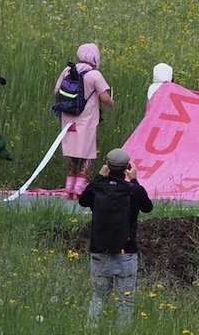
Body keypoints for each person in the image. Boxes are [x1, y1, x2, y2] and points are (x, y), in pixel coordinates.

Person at [80, 148, 153, 327]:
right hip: (125, 253)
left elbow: (83, 201)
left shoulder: (96, 187)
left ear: (107, 165)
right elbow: (147, 207)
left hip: (99, 250)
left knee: (98, 296)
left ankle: (91, 329)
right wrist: (134, 179)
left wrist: (99, 177)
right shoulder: (132, 190)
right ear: (127, 167)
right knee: (125, 301)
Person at [56, 43, 115, 200]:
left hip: (68, 119)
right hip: (86, 120)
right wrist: (111, 102)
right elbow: (104, 97)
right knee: (85, 154)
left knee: (72, 155)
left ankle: (69, 190)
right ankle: (79, 190)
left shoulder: (68, 70)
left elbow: (56, 91)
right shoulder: (95, 75)